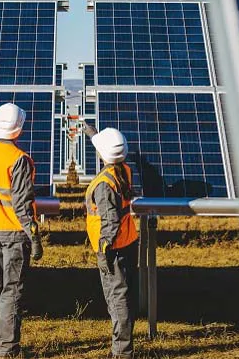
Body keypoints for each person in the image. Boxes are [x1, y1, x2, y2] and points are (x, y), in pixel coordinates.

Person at [0, 103, 44, 357]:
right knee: (11, 292)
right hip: (14, 235)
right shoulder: (19, 160)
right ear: (19, 128)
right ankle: (9, 349)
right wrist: (34, 238)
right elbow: (23, 205)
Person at [81, 122, 139, 359]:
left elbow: (110, 221)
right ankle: (122, 347)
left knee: (117, 299)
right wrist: (93, 134)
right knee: (122, 295)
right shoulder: (123, 169)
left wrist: (104, 249)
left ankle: (122, 352)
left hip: (113, 248)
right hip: (127, 241)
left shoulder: (104, 184)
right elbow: (110, 150)